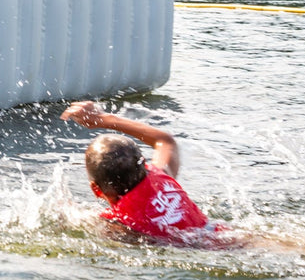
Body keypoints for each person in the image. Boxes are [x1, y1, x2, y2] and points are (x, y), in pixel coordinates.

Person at [63, 100, 215, 243]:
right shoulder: (161, 178)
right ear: (143, 164)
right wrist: (103, 118)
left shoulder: (117, 223)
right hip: (220, 234)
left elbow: (72, 218)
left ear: (96, 189)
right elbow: (165, 140)